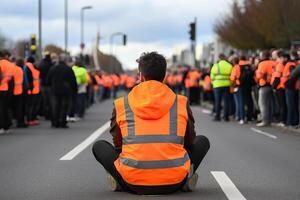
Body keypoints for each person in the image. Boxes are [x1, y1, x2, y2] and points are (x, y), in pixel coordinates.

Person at [92, 52, 210, 195]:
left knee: (99, 146)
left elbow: (118, 144)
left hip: (133, 182)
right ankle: (186, 179)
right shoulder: (181, 102)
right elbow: (190, 140)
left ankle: (120, 182)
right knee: (203, 141)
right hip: (174, 181)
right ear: (165, 76)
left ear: (141, 76)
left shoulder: (122, 104)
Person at [47, 54, 77, 128]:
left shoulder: (53, 68)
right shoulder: (68, 69)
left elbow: (48, 80)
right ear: (65, 60)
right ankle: (62, 122)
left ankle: (55, 122)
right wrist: (74, 90)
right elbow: (73, 81)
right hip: (65, 90)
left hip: (55, 90)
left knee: (55, 106)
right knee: (64, 106)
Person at [210, 54, 233, 121]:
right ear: (225, 58)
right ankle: (226, 117)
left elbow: (212, 77)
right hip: (227, 85)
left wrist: (213, 83)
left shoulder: (216, 66)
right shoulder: (229, 65)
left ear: (219, 58)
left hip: (217, 85)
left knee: (218, 101)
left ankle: (217, 116)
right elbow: (232, 76)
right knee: (226, 101)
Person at [255, 51, 275, 127]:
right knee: (270, 104)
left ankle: (265, 121)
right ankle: (271, 119)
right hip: (273, 85)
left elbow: (260, 75)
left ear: (263, 56)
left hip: (264, 85)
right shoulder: (273, 62)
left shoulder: (262, 64)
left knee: (262, 104)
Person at [0, 50, 13, 134]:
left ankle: (1, 126)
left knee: (0, 109)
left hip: (1, 88)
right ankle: (7, 126)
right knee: (6, 108)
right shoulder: (10, 64)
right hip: (7, 88)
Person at [38, 52, 53, 120]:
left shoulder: (41, 64)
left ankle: (45, 114)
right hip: (50, 85)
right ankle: (50, 114)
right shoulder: (51, 64)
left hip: (43, 84)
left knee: (45, 101)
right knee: (50, 101)